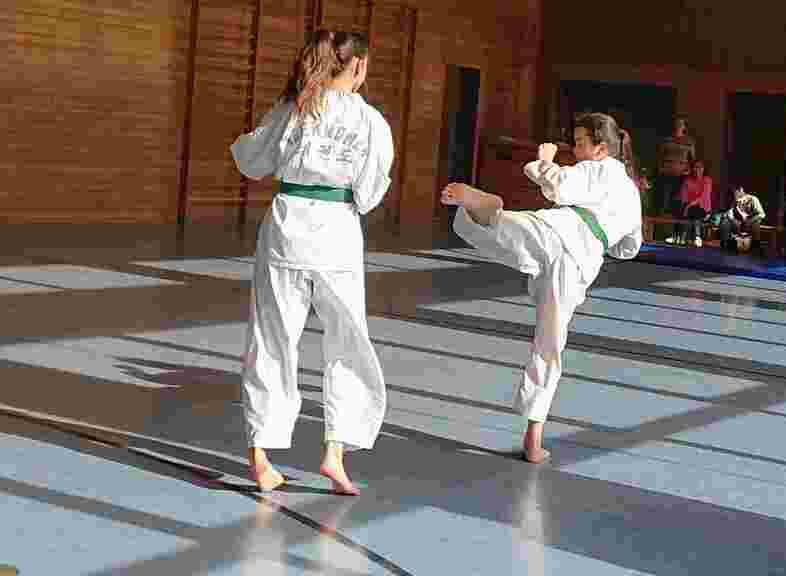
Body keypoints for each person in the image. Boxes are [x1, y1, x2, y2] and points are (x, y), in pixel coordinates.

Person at [229, 29, 394, 495]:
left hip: (286, 228)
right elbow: (370, 193)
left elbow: (251, 162)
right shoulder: (371, 121)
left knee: (273, 339)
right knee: (348, 340)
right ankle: (335, 453)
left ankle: (262, 457)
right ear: (358, 66)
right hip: (337, 232)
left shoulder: (292, 107)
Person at [440, 113, 642, 463]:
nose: (575, 150)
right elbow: (629, 248)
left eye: (580, 143)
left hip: (560, 229)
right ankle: (533, 439)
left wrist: (544, 161)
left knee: (507, 233)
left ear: (602, 148)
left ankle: (489, 213)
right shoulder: (630, 191)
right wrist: (607, 234)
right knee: (550, 343)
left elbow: (560, 185)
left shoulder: (598, 168)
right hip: (581, 259)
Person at [671, 160, 712, 246]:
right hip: (689, 207)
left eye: (700, 167)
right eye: (695, 167)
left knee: (693, 210)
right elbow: (683, 195)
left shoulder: (707, 180)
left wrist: (689, 205)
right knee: (683, 209)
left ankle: (685, 236)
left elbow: (703, 196)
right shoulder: (687, 180)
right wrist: (684, 205)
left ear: (704, 169)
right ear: (692, 169)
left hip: (703, 207)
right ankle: (686, 237)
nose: (698, 169)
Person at [719, 185, 765, 254]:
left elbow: (761, 214)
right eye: (733, 193)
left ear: (741, 190)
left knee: (756, 223)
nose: (734, 195)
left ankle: (756, 246)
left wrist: (750, 221)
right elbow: (729, 213)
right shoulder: (735, 201)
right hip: (738, 223)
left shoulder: (753, 199)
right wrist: (733, 220)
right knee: (725, 222)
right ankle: (726, 244)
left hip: (750, 223)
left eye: (736, 192)